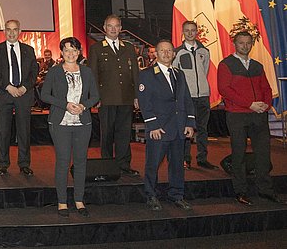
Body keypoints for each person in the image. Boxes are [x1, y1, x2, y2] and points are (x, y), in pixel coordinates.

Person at [218, 31, 285, 205]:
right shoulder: (226, 65)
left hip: (258, 115)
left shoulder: (257, 65)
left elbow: (267, 88)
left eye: (248, 43)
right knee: (238, 155)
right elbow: (224, 90)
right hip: (237, 116)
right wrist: (250, 104)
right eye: (241, 43)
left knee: (263, 154)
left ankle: (265, 191)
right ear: (235, 44)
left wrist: (266, 104)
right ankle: (241, 191)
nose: (245, 46)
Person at [41, 37, 99, 218]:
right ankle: (62, 201)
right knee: (63, 161)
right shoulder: (54, 72)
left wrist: (83, 106)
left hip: (83, 122)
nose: (71, 53)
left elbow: (95, 96)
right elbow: (44, 95)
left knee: (81, 162)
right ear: (62, 52)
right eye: (67, 50)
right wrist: (65, 105)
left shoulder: (87, 72)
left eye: (74, 50)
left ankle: (79, 199)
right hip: (61, 122)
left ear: (79, 52)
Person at [137, 40, 195, 211]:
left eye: (169, 50)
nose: (166, 53)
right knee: (152, 164)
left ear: (174, 53)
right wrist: (152, 125)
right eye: (162, 50)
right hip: (159, 129)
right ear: (156, 53)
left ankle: (177, 195)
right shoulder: (147, 74)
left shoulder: (179, 74)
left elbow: (186, 99)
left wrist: (190, 123)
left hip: (178, 128)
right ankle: (151, 195)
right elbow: (144, 102)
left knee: (177, 165)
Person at [88, 14, 140, 177]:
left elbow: (135, 73)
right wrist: (95, 97)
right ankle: (108, 165)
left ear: (120, 28)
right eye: (110, 26)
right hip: (106, 98)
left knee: (124, 133)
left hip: (126, 97)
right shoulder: (96, 48)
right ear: (104, 28)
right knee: (108, 133)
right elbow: (93, 74)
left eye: (116, 26)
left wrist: (137, 95)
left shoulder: (129, 47)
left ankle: (124, 164)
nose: (113, 29)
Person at [0, 20, 39, 176]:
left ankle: (24, 163)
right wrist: (8, 87)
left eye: (15, 29)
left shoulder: (29, 50)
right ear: (4, 31)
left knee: (24, 131)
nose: (11, 33)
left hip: (24, 95)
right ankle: (3, 164)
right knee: (3, 131)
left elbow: (33, 72)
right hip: (4, 95)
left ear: (20, 31)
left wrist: (24, 87)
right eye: (8, 29)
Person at [173, 21, 218, 170]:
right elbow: (175, 74)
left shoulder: (204, 51)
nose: (190, 33)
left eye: (193, 30)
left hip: (203, 96)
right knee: (186, 129)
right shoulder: (177, 52)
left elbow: (204, 71)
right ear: (183, 32)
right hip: (187, 97)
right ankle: (185, 159)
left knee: (202, 129)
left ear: (197, 32)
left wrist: (201, 88)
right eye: (187, 30)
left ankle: (202, 158)